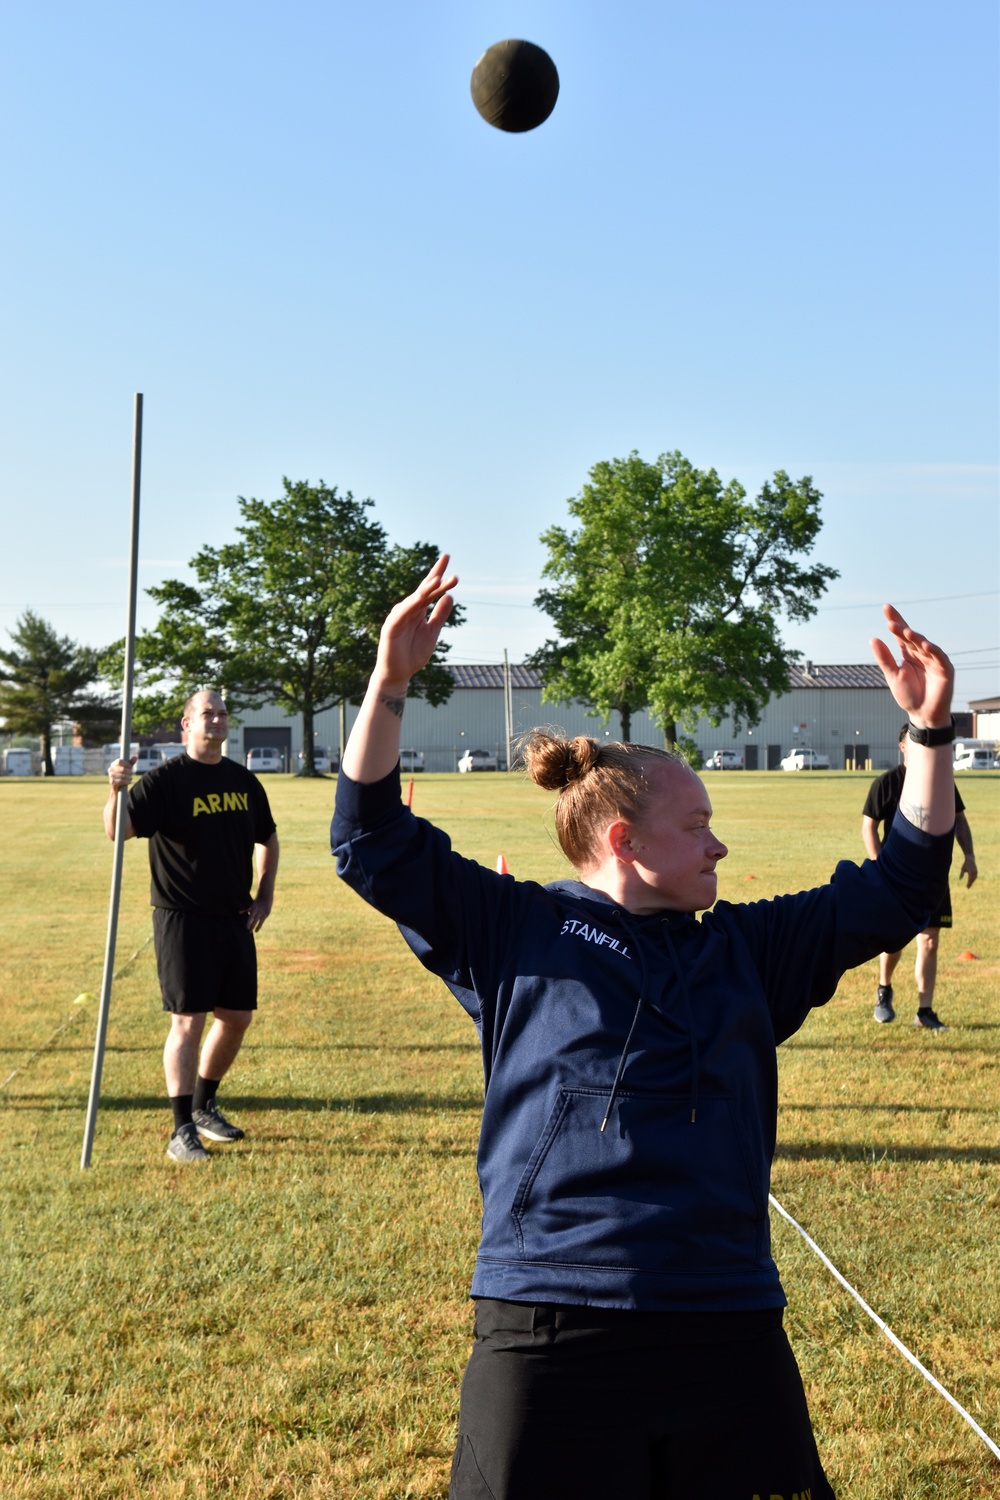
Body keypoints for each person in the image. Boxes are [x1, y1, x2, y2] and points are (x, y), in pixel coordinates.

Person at [331, 556, 957, 1500]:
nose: (719, 845)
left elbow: (906, 884)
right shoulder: (517, 928)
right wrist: (389, 684)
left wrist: (929, 731)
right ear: (623, 840)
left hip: (726, 1317)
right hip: (550, 1321)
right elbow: (370, 841)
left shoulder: (748, 948)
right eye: (698, 825)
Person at [104, 691, 279, 1162]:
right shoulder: (165, 782)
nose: (217, 720)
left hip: (235, 918)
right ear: (187, 725)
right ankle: (181, 1130)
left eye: (222, 714)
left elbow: (268, 836)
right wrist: (116, 790)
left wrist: (264, 894)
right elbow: (118, 830)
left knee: (236, 1017)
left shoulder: (243, 781)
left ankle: (204, 1106)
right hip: (182, 918)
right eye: (208, 714)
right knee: (189, 1021)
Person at [862, 722, 977, 1029]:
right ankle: (884, 991)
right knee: (895, 939)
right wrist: (878, 866)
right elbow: (868, 826)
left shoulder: (942, 782)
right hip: (896, 875)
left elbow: (959, 820)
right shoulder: (887, 782)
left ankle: (924, 1012)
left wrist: (969, 855)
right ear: (903, 747)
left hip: (933, 875)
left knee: (929, 942)